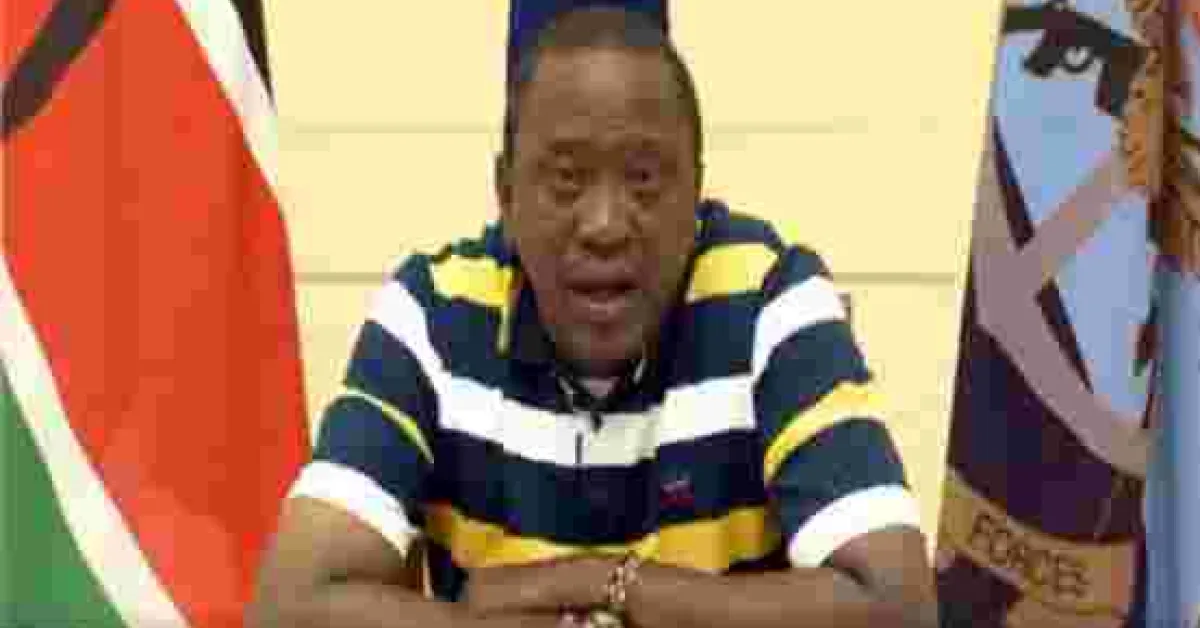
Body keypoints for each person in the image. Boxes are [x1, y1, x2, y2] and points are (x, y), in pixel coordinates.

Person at [248, 6, 938, 628]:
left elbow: (898, 605)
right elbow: (289, 607)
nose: (605, 225)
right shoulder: (433, 312)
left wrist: (595, 581)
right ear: (506, 193)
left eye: (644, 178)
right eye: (567, 178)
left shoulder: (770, 299)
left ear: (696, 190)